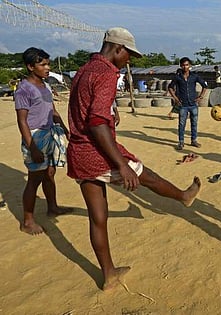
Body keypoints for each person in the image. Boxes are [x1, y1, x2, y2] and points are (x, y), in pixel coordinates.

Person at [67, 27, 201, 291]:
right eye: (129, 54)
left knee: (98, 217)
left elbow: (86, 108)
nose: (130, 60)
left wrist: (111, 110)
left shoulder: (84, 70)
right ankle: (183, 196)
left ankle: (109, 274)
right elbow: (95, 122)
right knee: (144, 174)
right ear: (118, 48)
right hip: (97, 152)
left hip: (79, 152)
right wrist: (120, 165)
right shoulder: (106, 72)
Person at [14, 47, 71, 235]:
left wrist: (64, 128)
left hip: (49, 134)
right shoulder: (24, 89)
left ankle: (52, 207)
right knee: (34, 179)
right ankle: (27, 221)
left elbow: (52, 111)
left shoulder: (45, 85)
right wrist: (33, 147)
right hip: (35, 137)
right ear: (31, 66)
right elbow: (22, 121)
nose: (47, 68)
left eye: (48, 64)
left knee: (49, 173)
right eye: (43, 64)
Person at [168, 57, 207, 150]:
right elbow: (170, 87)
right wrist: (176, 98)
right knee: (181, 124)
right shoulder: (177, 77)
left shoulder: (194, 76)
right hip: (183, 105)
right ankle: (181, 142)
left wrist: (200, 97)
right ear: (180, 66)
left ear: (190, 66)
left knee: (194, 123)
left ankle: (194, 141)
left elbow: (204, 86)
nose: (185, 67)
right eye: (183, 65)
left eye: (187, 65)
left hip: (193, 104)